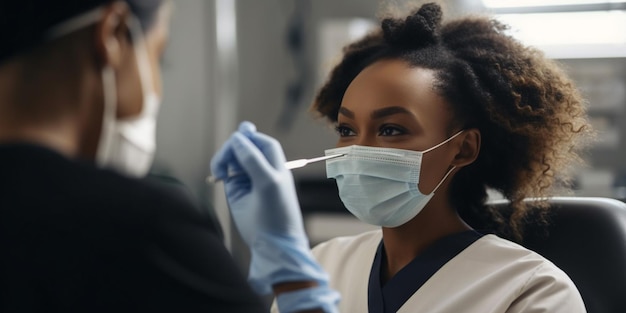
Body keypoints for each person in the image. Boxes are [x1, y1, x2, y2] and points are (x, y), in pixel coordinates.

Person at [212, 2, 593, 313]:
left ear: (462, 148)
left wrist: (295, 282)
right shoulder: (323, 264)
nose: (358, 150)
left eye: (391, 129)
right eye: (347, 130)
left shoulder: (531, 292)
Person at [0, 1, 338, 312]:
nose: (157, 86)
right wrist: (293, 273)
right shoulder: (142, 230)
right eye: (157, 57)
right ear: (113, 34)